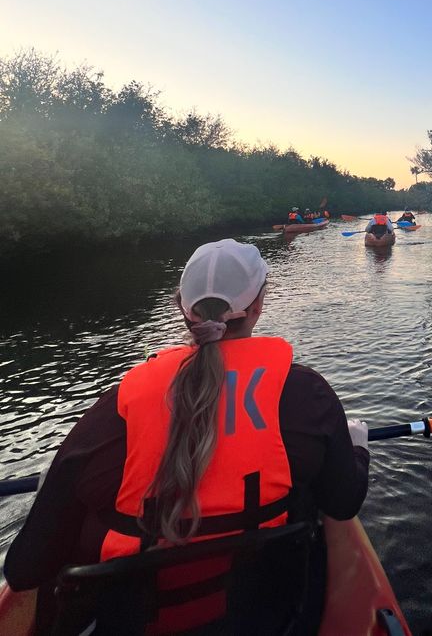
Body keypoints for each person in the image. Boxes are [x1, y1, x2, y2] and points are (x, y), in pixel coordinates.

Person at [4, 239, 369, 632]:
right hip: (263, 619)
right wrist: (358, 451)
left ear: (183, 308)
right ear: (258, 306)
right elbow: (343, 502)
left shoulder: (117, 408)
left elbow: (25, 569)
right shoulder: (306, 395)